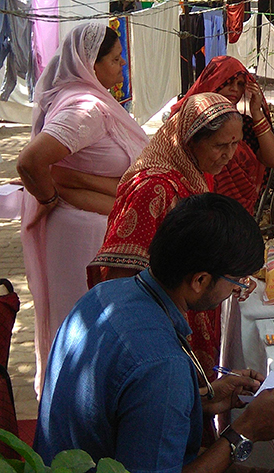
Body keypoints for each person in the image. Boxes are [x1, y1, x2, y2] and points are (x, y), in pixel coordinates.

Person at [35, 192, 274, 471]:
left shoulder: (106, 293)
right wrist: (245, 430)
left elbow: (127, 410)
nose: (236, 290)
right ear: (200, 280)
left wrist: (200, 400)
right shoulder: (163, 366)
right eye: (236, 282)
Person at [16, 24, 149, 397]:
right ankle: (76, 410)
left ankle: (87, 407)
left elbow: (69, 172)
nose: (122, 66)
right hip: (82, 236)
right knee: (83, 331)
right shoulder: (84, 110)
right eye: (116, 59)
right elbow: (30, 162)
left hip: (93, 227)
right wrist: (50, 198)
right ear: (91, 64)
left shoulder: (91, 101)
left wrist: (73, 184)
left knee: (95, 332)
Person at [88, 92, 242, 382]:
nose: (230, 154)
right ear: (190, 141)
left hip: (185, 309)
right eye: (220, 145)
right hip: (155, 326)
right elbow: (120, 279)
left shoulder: (195, 174)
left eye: (235, 143)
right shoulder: (153, 188)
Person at [170, 55, 274, 215]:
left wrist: (256, 112)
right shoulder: (188, 123)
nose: (235, 89)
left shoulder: (244, 125)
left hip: (237, 213)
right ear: (213, 82)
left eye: (240, 84)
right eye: (228, 82)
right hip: (198, 210)